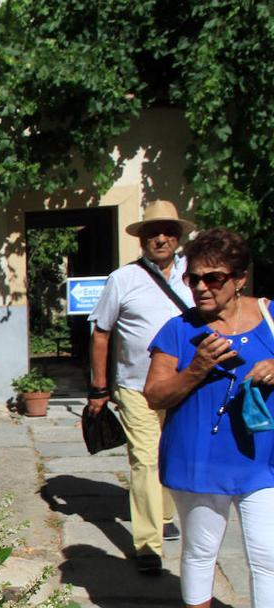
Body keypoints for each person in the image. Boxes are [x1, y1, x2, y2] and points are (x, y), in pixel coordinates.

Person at [143, 228, 274, 608]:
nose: (200, 287)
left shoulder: (270, 316)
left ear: (239, 278)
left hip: (262, 457)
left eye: (212, 278)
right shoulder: (178, 330)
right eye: (193, 277)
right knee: (201, 549)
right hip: (197, 454)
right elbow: (155, 394)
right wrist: (196, 368)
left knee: (268, 557)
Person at [87, 200, 194, 572]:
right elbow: (101, 333)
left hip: (186, 384)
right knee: (145, 460)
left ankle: (164, 514)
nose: (160, 238)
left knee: (171, 453)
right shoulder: (123, 279)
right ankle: (148, 544)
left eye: (167, 231)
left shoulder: (194, 276)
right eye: (152, 232)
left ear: (178, 237)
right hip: (136, 385)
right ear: (142, 239)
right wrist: (99, 388)